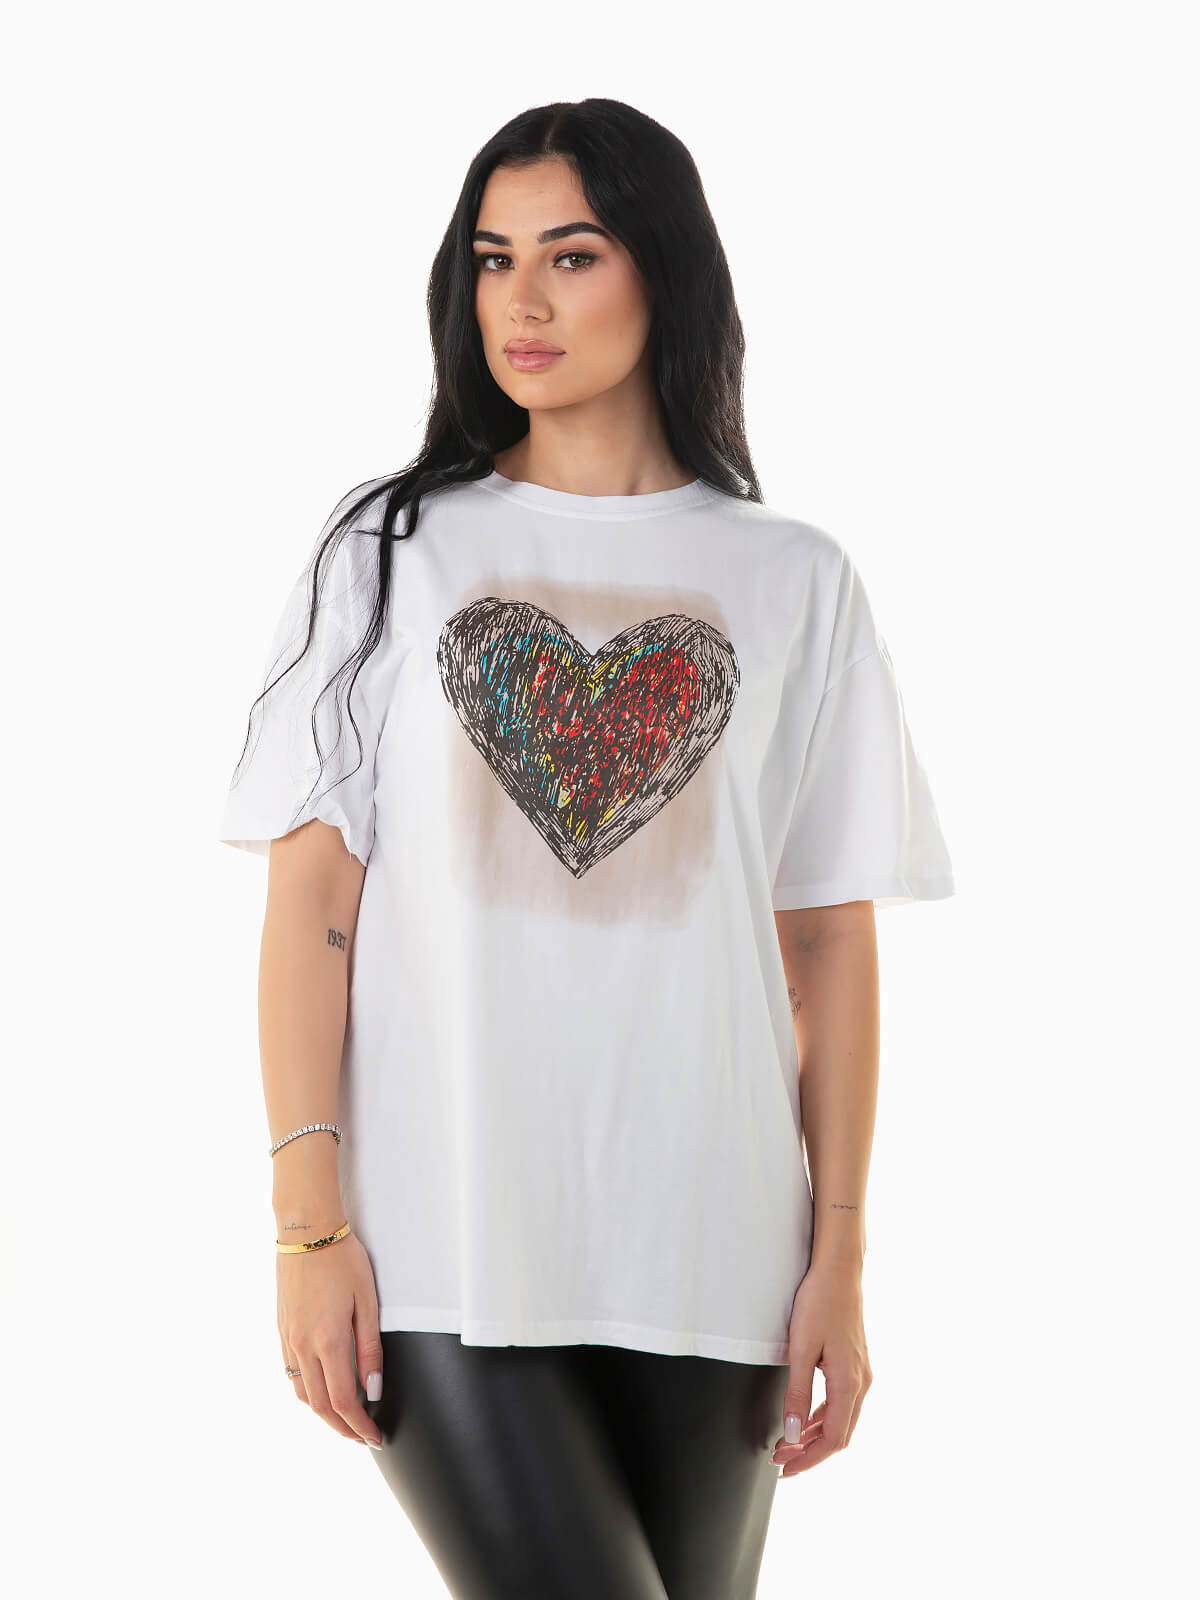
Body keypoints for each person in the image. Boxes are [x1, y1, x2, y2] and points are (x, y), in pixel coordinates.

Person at [216, 97, 955, 1600]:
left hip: (717, 1262)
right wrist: (308, 1233)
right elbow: (313, 910)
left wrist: (840, 1259)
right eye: (493, 260)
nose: (523, 303)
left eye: (571, 254)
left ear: (664, 271)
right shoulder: (394, 552)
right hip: (448, 1255)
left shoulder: (796, 578)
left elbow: (826, 937)